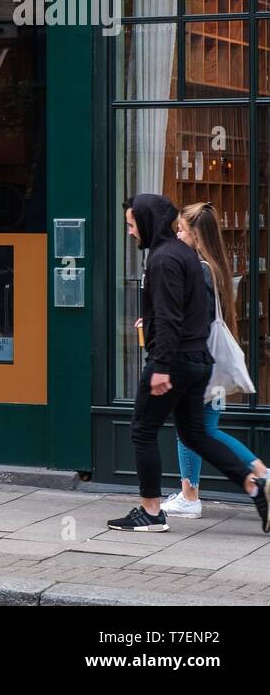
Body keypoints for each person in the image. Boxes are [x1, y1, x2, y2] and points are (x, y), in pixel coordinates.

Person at [112, 194, 269, 532]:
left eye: (132, 224)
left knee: (142, 430)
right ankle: (255, 485)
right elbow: (188, 313)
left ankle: (151, 513)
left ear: (147, 222)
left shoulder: (164, 259)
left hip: (175, 360)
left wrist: (161, 366)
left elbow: (170, 317)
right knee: (196, 434)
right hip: (198, 360)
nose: (129, 231)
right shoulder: (185, 255)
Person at [160, 202, 267, 518]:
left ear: (195, 234)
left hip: (200, 364)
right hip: (212, 366)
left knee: (200, 431)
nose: (177, 235)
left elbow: (199, 321)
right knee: (198, 430)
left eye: (181, 230)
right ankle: (189, 494)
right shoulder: (214, 266)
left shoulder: (201, 269)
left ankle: (260, 475)